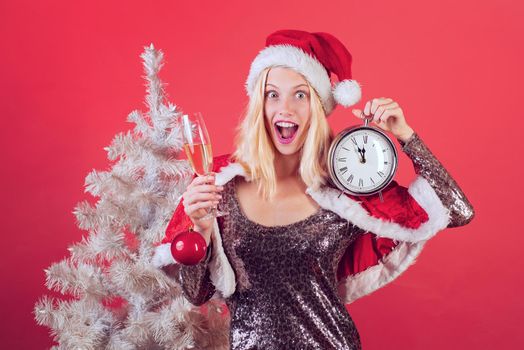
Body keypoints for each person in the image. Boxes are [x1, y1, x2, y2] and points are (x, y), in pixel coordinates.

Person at [152, 29, 475, 350]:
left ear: (318, 107)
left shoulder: (345, 184)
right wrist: (200, 229)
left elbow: (457, 210)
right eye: (273, 94)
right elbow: (196, 293)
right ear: (259, 105)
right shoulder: (220, 182)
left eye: (300, 94)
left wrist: (406, 135)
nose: (286, 108)